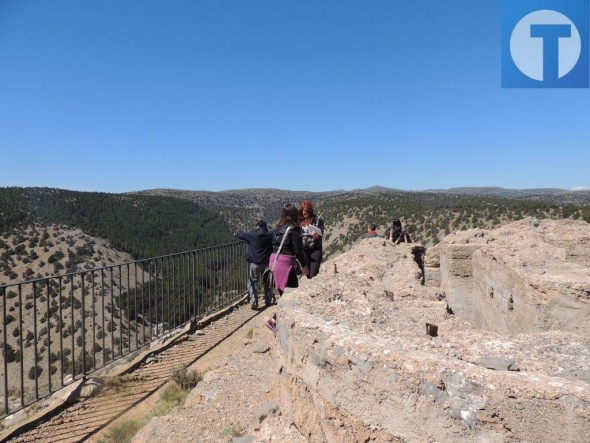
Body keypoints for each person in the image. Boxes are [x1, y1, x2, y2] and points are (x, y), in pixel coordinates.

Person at [269, 204, 309, 295]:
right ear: (295, 215)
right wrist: (304, 266)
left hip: (274, 261)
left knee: (282, 292)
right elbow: (298, 250)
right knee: (292, 291)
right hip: (285, 264)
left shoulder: (276, 229)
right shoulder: (294, 229)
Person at [234, 220, 273, 310]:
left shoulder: (253, 235)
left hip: (255, 262)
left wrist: (236, 233)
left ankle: (254, 300)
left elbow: (242, 235)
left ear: (257, 226)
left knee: (253, 282)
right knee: (267, 281)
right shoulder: (270, 235)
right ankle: (268, 300)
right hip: (267, 262)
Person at [298, 200, 325, 279]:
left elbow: (321, 233)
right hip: (303, 250)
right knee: (307, 273)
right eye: (302, 210)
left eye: (306, 210)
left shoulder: (317, 220)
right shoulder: (299, 220)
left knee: (314, 273)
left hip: (315, 249)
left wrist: (317, 236)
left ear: (310, 210)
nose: (304, 212)